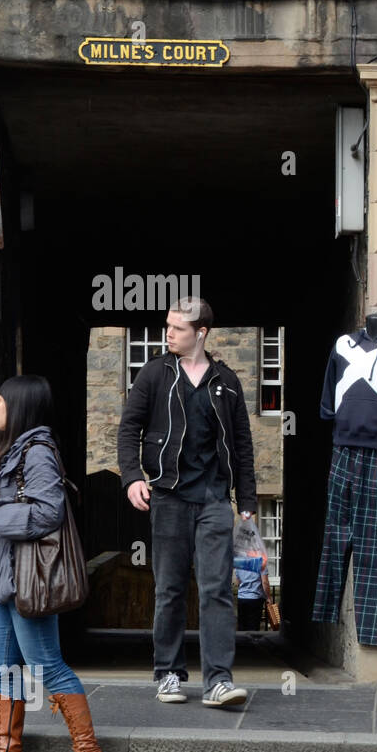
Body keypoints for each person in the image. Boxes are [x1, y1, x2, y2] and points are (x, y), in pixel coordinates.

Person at [0, 376, 107, 752]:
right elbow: (21, 513)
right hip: (7, 578)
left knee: (46, 665)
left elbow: (49, 514)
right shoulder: (17, 452)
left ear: (21, 405)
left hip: (31, 581)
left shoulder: (38, 453)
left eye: (2, 400)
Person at [117, 298, 255, 708]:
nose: (169, 333)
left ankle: (218, 682)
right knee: (170, 590)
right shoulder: (154, 375)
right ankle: (169, 675)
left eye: (177, 328)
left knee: (216, 590)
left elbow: (244, 446)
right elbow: (129, 429)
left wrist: (246, 502)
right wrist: (131, 479)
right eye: (168, 326)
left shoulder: (226, 381)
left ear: (201, 333)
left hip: (214, 498)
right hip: (169, 497)